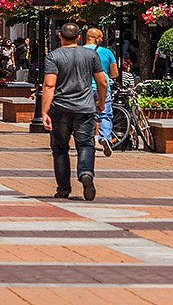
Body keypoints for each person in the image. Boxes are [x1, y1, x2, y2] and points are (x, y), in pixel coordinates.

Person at [43, 22, 108, 202]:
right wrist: (101, 102)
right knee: (86, 144)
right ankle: (86, 173)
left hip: (60, 108)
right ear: (79, 37)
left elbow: (49, 85)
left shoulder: (53, 56)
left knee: (60, 148)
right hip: (85, 108)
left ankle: (63, 189)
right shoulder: (90, 55)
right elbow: (102, 82)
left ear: (60, 36)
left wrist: (44, 111)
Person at [83, 27, 119, 157]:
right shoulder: (106, 52)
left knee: (85, 116)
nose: (102, 39)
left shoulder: (79, 52)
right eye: (101, 37)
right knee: (105, 115)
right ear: (97, 39)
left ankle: (86, 141)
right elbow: (115, 73)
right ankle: (104, 137)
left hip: (84, 88)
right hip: (102, 88)